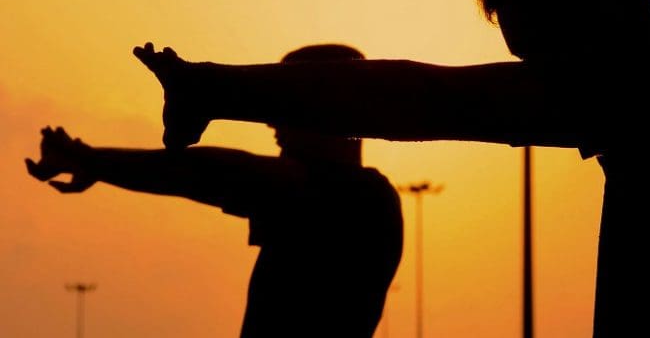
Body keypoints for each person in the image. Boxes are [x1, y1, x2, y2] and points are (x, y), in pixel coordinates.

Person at [131, 0, 650, 336]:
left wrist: (214, 86)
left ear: (605, 7)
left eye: (543, 54)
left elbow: (425, 99)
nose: (539, 80)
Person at [26, 45, 404, 338]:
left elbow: (211, 173)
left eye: (286, 105)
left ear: (324, 111)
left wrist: (95, 161)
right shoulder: (358, 199)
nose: (273, 124)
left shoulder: (358, 199)